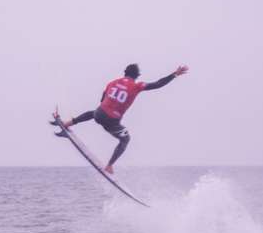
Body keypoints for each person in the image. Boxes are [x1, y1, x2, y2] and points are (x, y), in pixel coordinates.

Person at [53, 63, 189, 174]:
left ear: (125, 73)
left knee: (93, 112)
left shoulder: (112, 82)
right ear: (136, 76)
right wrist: (174, 74)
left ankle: (67, 123)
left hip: (100, 113)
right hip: (112, 121)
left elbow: (102, 99)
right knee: (125, 139)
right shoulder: (137, 85)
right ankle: (109, 166)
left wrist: (104, 110)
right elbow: (158, 84)